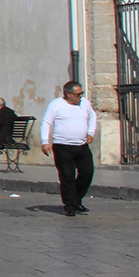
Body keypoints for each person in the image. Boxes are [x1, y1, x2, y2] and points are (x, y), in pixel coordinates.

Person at [40, 80, 98, 216]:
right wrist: (45, 142)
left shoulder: (85, 104)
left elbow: (93, 116)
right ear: (68, 94)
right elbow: (47, 122)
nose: (80, 97)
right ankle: (70, 205)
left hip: (81, 145)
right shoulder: (56, 105)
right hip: (63, 146)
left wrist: (91, 132)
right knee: (67, 176)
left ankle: (76, 199)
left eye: (81, 94)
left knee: (87, 172)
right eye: (78, 94)